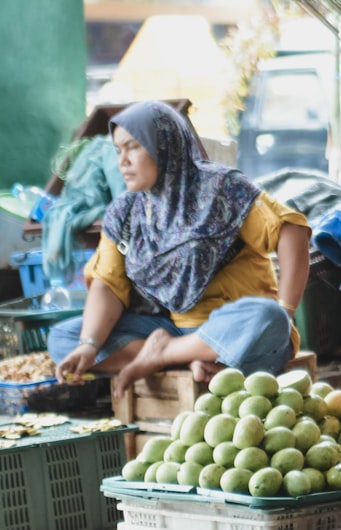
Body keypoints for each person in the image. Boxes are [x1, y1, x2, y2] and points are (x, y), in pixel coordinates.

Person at [49, 101, 312, 398]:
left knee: (269, 319)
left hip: (234, 328)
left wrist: (287, 309)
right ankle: (191, 358)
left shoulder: (222, 189)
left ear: (163, 144)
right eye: (118, 150)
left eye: (133, 147)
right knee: (65, 337)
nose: (123, 161)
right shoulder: (125, 212)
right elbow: (108, 285)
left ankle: (171, 354)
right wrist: (89, 345)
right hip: (173, 328)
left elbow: (292, 230)